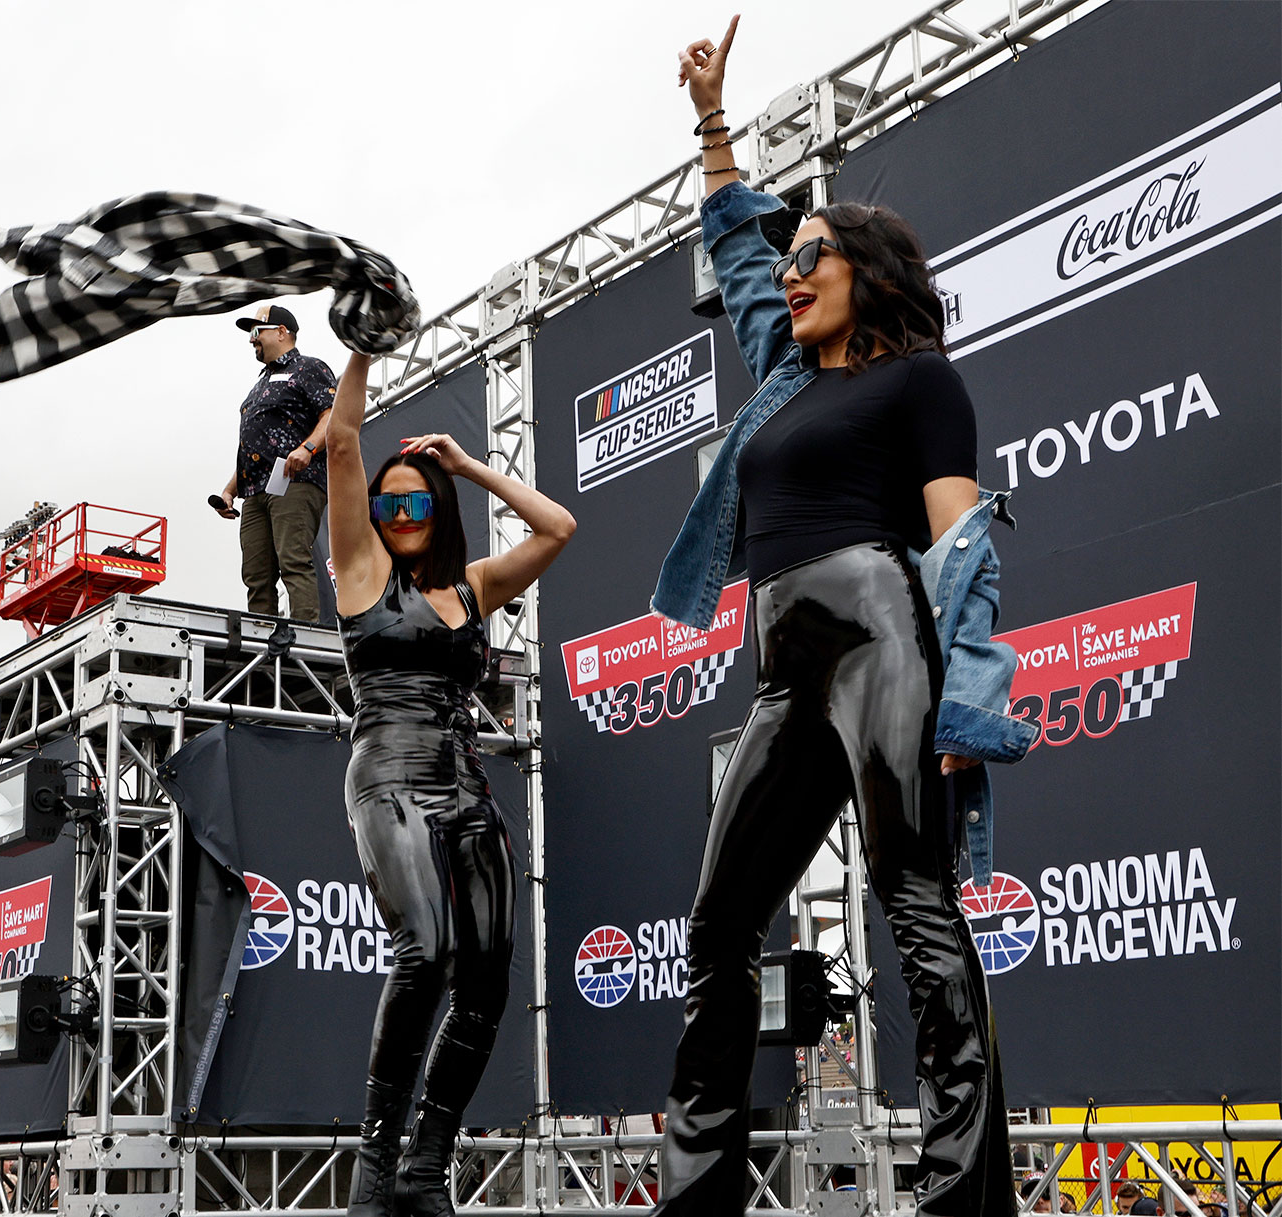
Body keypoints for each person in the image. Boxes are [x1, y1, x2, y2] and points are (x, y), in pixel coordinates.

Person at [646, 16, 1035, 1217]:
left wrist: (963, 686)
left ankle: (957, 1195)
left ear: (868, 272)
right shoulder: (783, 380)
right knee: (716, 924)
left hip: (879, 631)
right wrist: (712, 123)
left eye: (816, 252)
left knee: (911, 893)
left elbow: (962, 539)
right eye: (791, 255)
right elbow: (738, 249)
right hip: (781, 664)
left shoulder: (921, 381)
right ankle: (697, 1193)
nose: (791, 268)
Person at [328, 348, 575, 1217]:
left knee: (486, 981)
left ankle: (425, 1169)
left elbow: (557, 528)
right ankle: (373, 1162)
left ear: (436, 508)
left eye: (415, 499)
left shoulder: (472, 585)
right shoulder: (359, 571)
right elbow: (344, 445)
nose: (399, 511)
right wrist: (360, 345)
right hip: (388, 772)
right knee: (423, 950)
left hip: (466, 781)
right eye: (388, 501)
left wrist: (468, 464)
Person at [213, 304, 338, 622]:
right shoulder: (260, 384)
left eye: (256, 331)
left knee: (293, 561)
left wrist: (307, 448)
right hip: (254, 490)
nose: (251, 340)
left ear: (282, 332)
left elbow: (332, 414)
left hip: (295, 481)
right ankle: (264, 649)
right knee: (256, 575)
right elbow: (255, 446)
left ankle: (305, 644)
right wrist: (229, 490)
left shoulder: (309, 368)